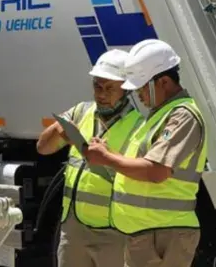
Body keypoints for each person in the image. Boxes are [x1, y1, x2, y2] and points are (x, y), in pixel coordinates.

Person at [84, 39, 205, 267]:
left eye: (141, 87)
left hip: (164, 233)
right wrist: (109, 153)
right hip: (149, 232)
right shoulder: (159, 115)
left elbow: (156, 171)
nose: (137, 94)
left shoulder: (182, 115)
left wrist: (106, 157)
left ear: (164, 82)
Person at [36, 49, 141, 267]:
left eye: (110, 88)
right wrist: (57, 131)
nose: (101, 94)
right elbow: (43, 148)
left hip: (114, 232)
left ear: (126, 89)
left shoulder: (139, 126)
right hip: (74, 228)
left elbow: (140, 175)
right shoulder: (80, 112)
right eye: (97, 86)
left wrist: (108, 156)